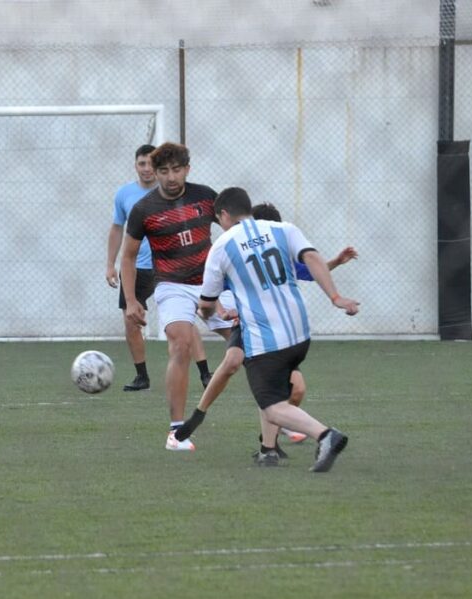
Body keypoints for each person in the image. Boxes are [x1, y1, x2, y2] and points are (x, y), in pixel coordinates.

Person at [192, 187, 359, 471]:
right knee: (275, 387)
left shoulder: (222, 246)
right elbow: (311, 259)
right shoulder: (285, 230)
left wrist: (208, 312)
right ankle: (268, 448)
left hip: (264, 338)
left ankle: (325, 435)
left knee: (270, 405)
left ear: (223, 215)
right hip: (299, 334)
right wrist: (335, 297)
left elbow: (207, 300)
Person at [121, 142, 228, 451]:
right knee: (180, 344)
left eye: (177, 170)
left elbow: (233, 229)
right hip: (172, 285)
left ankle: (280, 414)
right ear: (155, 173)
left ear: (187, 170)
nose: (171, 177)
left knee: (250, 344)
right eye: (164, 171)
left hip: (210, 283)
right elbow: (127, 256)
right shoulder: (144, 209)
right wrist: (131, 301)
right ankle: (177, 432)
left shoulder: (205, 197)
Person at [106, 144, 213, 391]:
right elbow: (117, 229)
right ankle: (141, 376)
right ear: (136, 166)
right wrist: (110, 264)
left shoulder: (181, 194)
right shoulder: (127, 196)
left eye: (149, 164)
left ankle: (205, 372)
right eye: (141, 164)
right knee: (131, 320)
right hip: (140, 268)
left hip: (172, 269)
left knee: (185, 319)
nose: (146, 169)